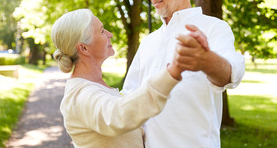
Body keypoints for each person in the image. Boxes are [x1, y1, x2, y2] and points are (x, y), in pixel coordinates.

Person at [123, 0, 246, 148]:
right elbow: (129, 96)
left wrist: (206, 60)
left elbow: (231, 74)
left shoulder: (214, 28)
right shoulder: (149, 41)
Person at [51, 8, 207, 148]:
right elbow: (119, 115)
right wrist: (173, 70)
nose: (109, 34)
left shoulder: (97, 87)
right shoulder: (80, 96)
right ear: (83, 48)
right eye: (101, 31)